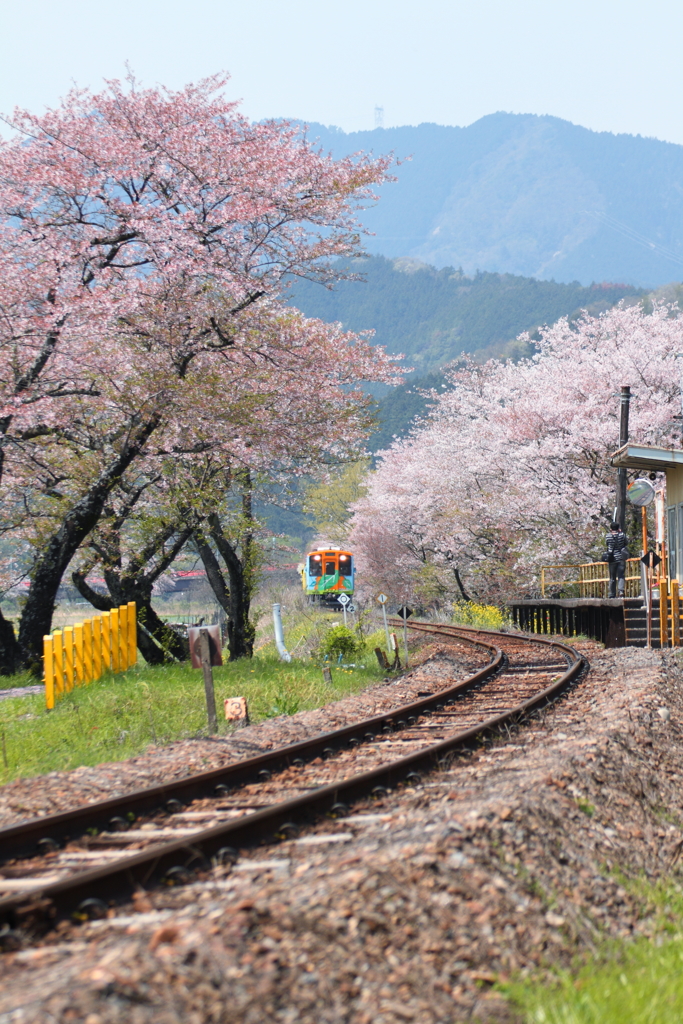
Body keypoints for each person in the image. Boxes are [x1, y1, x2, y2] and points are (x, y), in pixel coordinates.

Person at [605, 522, 630, 598]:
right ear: (618, 528)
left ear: (611, 529)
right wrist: (620, 533)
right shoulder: (622, 535)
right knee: (621, 576)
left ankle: (612, 593)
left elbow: (607, 544)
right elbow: (626, 543)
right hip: (621, 558)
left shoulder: (608, 536)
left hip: (612, 558)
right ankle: (621, 591)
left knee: (612, 577)